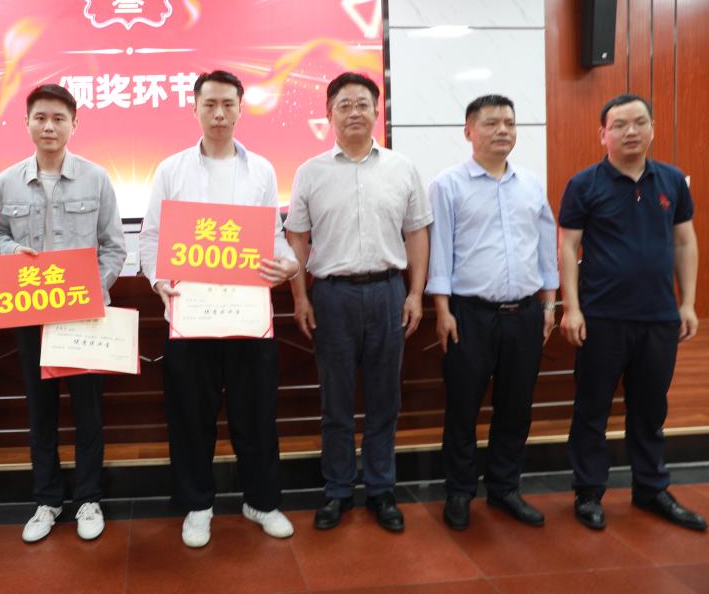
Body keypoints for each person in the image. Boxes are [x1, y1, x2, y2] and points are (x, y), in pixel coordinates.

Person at [138, 70, 298, 548]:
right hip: (191, 316)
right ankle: (198, 505)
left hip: (249, 316)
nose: (219, 114)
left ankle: (261, 501)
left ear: (241, 108)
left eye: (228, 104)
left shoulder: (262, 170)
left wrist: (288, 264)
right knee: (191, 415)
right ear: (194, 108)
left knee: (256, 413)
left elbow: (272, 237)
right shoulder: (172, 169)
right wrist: (159, 281)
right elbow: (151, 237)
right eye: (210, 104)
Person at [286, 72, 432, 533]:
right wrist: (300, 297)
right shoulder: (310, 172)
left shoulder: (402, 168)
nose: (354, 112)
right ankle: (338, 490)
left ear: (376, 111)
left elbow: (417, 232)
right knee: (336, 401)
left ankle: (382, 489)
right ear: (329, 114)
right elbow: (297, 238)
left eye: (362, 104)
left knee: (385, 398)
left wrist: (415, 293)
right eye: (344, 105)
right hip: (332, 296)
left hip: (389, 292)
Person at [559, 93, 704, 532]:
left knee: (650, 408)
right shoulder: (584, 184)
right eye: (620, 125)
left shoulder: (673, 181)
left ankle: (651, 488)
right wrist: (572, 308)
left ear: (653, 129)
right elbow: (567, 246)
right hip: (601, 317)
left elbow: (685, 241)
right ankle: (588, 491)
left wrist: (687, 302)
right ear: (603, 134)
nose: (631, 131)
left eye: (640, 122)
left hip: (659, 317)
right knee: (592, 408)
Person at [0, 84, 126, 543]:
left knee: (88, 412)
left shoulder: (96, 178)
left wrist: (91, 292)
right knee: (41, 411)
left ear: (73, 124)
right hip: (31, 315)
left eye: (58, 118)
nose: (49, 126)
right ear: (27, 122)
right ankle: (46, 500)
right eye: (41, 118)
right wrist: (11, 250)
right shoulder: (7, 181)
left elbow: (114, 247)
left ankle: (88, 498)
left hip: (84, 317)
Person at [426, 94, 558, 531]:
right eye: (491, 123)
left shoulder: (531, 184)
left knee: (516, 406)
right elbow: (440, 251)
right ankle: (459, 491)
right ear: (469, 131)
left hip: (525, 313)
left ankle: (505, 488)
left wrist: (550, 304)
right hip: (469, 314)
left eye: (509, 123)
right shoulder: (448, 185)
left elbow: (546, 247)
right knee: (462, 407)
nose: (503, 130)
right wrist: (442, 310)